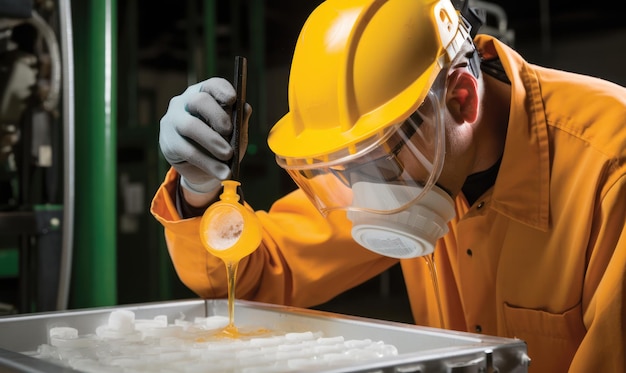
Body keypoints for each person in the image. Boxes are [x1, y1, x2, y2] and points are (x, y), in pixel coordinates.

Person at [151, 0, 626, 371]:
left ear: (460, 100)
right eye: (343, 167)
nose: (363, 189)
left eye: (373, 162)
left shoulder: (609, 170)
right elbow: (260, 276)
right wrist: (200, 191)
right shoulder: (420, 163)